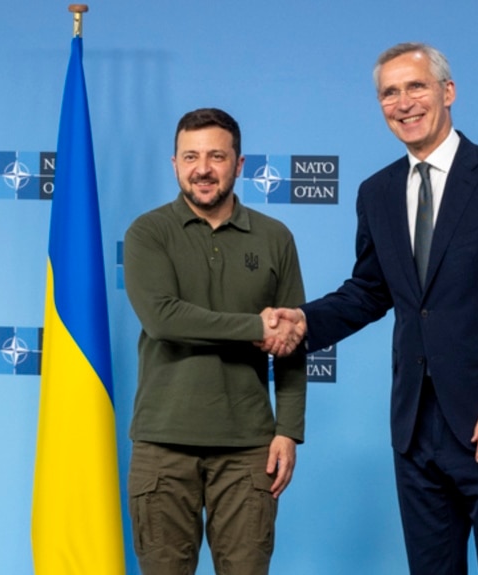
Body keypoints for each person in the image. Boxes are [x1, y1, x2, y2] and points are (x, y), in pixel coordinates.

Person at [266, 42, 478, 574]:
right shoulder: (375, 192)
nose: (403, 102)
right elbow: (371, 290)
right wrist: (306, 320)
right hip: (415, 426)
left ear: (448, 92)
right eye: (389, 92)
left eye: (416, 87)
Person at [123, 107, 306, 575]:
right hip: (163, 445)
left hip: (249, 448)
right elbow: (163, 319)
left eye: (216, 156)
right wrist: (254, 327)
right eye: (190, 156)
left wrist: (288, 430)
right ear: (175, 164)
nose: (202, 168)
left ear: (239, 164)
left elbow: (291, 340)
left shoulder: (275, 237)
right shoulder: (148, 232)